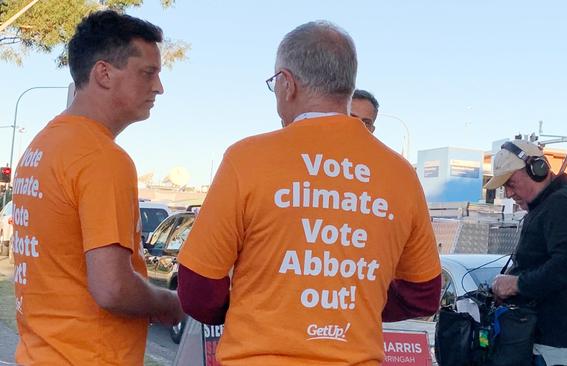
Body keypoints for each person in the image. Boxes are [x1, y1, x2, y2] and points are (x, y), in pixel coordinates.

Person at [177, 21, 441, 365]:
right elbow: (423, 293)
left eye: (274, 84)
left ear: (287, 84)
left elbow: (198, 286)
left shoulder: (247, 159)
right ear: (347, 86)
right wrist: (354, 306)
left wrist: (254, 306)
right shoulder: (400, 174)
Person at [12, 10, 184, 365]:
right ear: (104, 73)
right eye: (148, 73)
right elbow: (113, 288)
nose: (159, 87)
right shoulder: (102, 158)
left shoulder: (42, 146)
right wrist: (173, 304)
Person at [487, 139, 567, 366]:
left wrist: (516, 284)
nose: (509, 193)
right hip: (551, 342)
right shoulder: (551, 203)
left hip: (560, 346)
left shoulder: (563, 204)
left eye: (511, 183)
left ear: (537, 169)